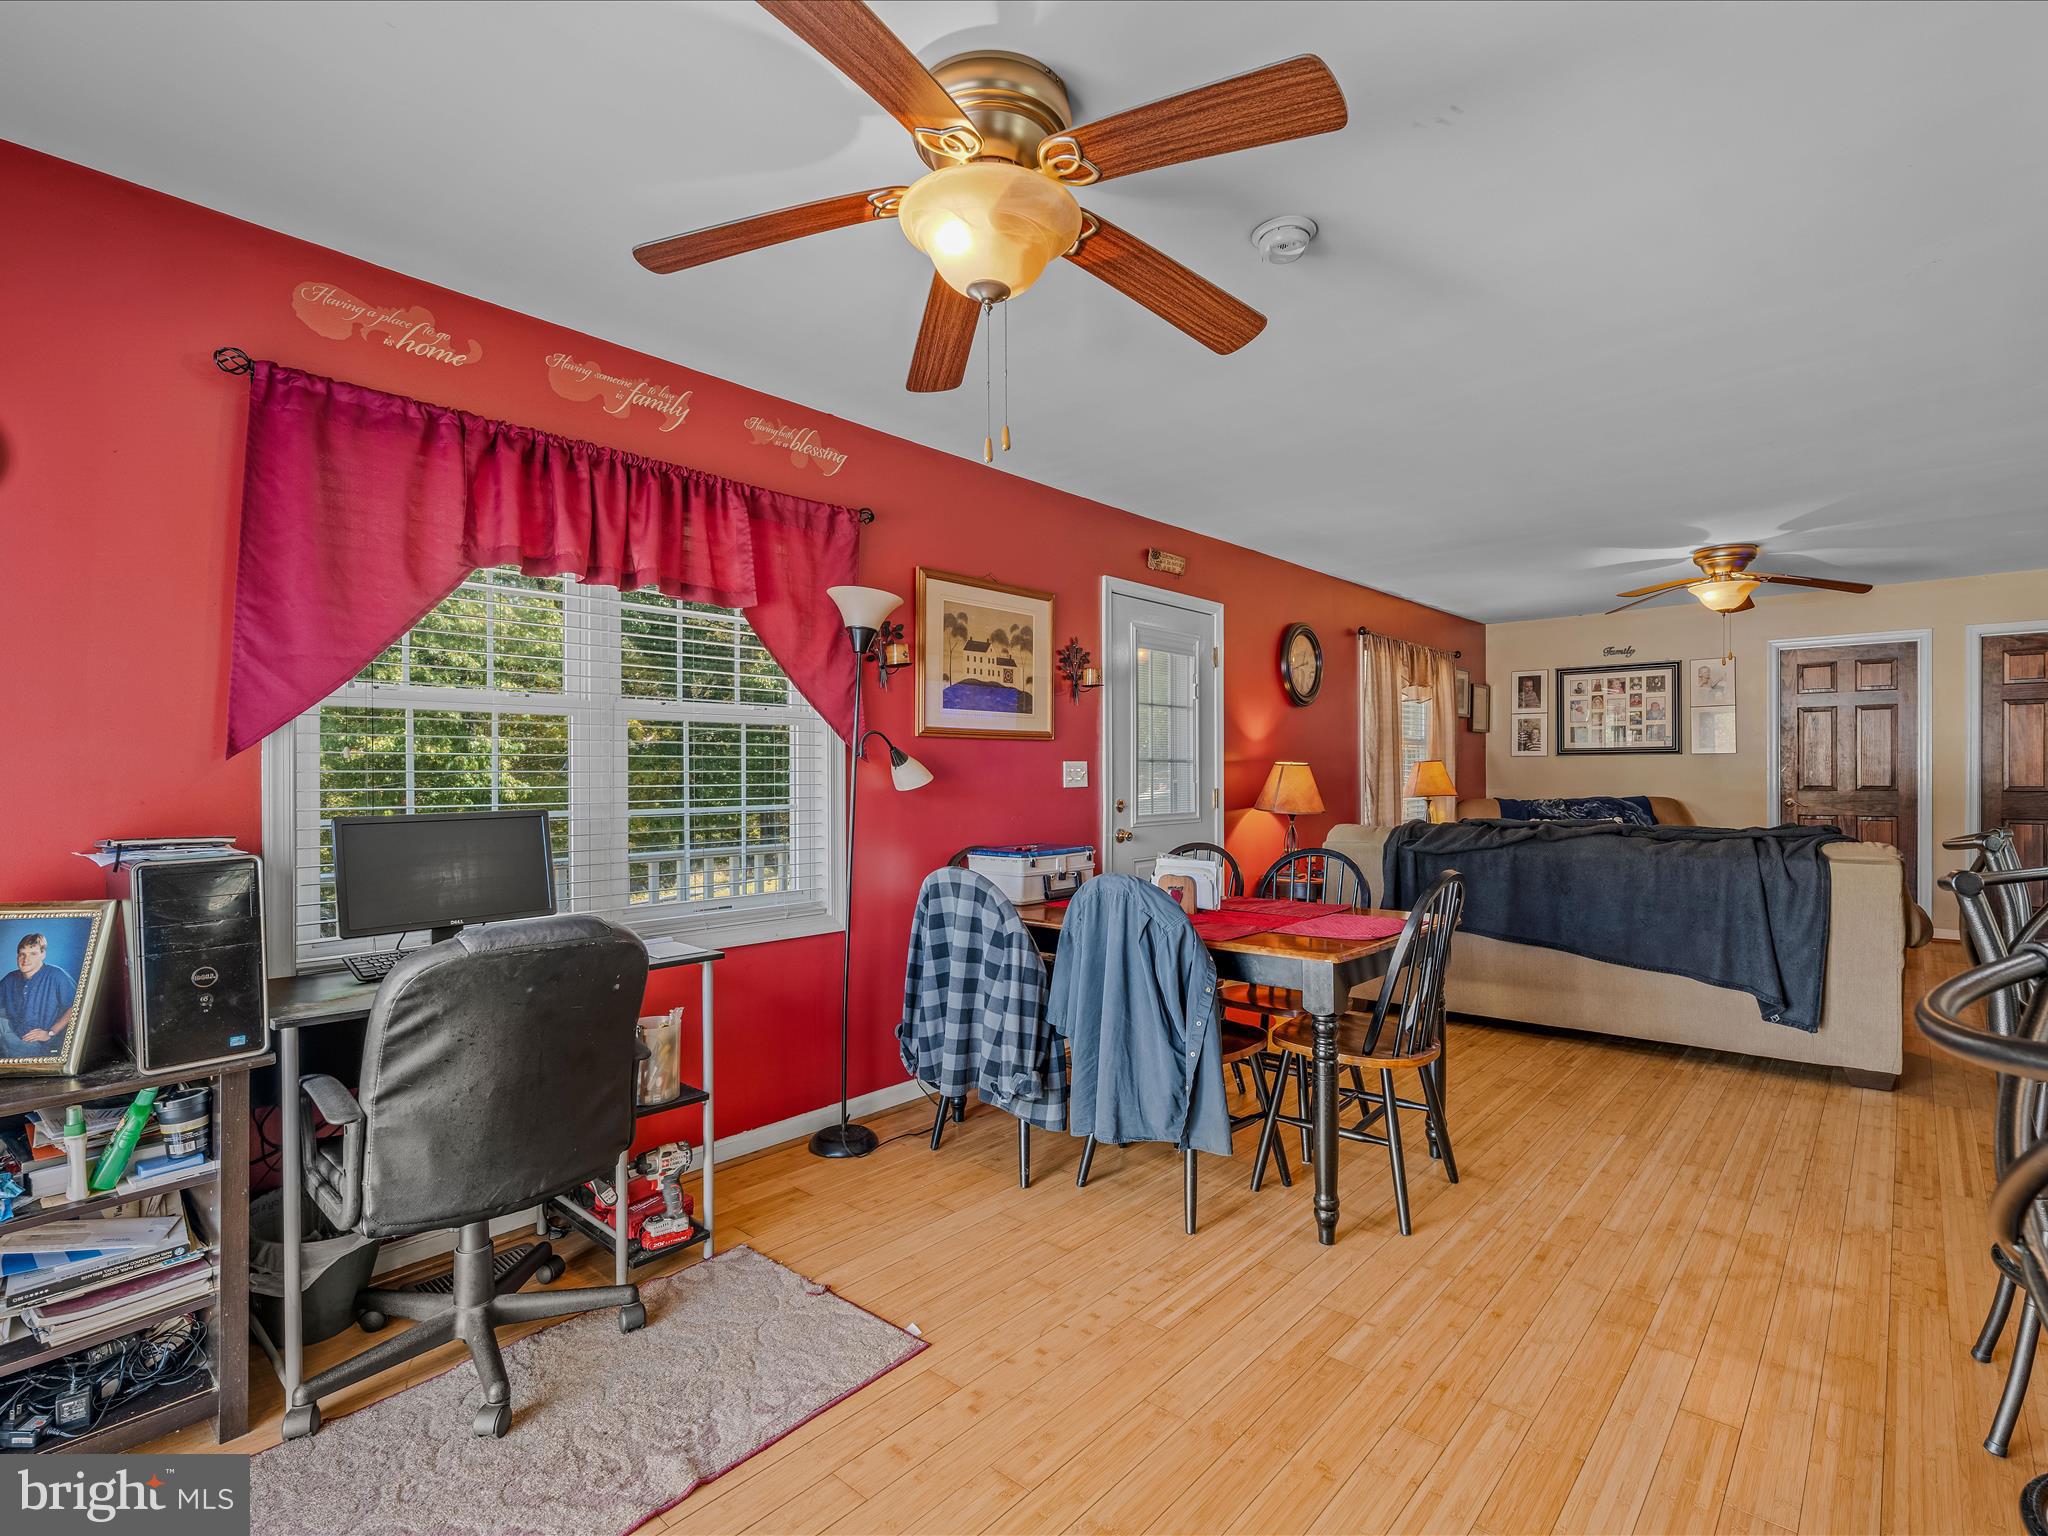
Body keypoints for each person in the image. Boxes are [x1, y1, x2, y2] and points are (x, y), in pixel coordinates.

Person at [0, 932, 78, 1057]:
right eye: (22, 954)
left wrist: (50, 1033)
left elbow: (76, 1007)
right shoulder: (10, 978)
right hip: (10, 1034)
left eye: (33, 954)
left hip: (37, 1045)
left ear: (43, 954)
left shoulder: (57, 976)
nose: (26, 960)